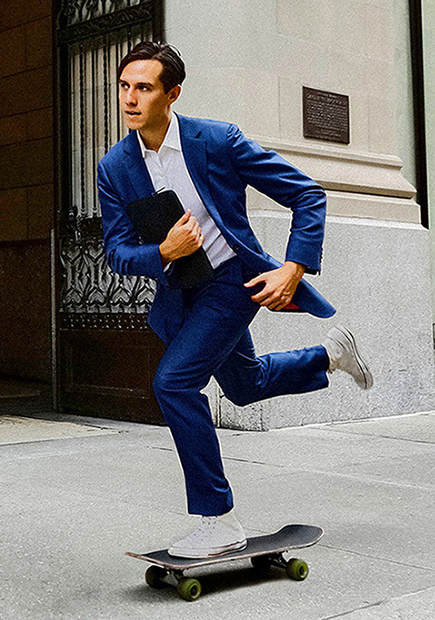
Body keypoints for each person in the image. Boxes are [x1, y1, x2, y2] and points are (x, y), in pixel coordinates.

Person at [97, 41, 373, 559]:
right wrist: (164, 250)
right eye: (124, 87)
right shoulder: (115, 167)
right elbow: (116, 253)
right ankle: (330, 356)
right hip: (182, 296)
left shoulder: (217, 140)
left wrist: (292, 268)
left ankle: (217, 518)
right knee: (244, 386)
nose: (130, 99)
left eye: (144, 88)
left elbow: (307, 194)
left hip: (232, 281)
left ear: (171, 94)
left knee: (174, 383)